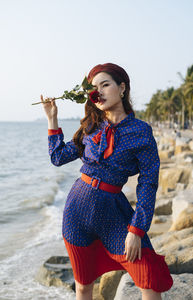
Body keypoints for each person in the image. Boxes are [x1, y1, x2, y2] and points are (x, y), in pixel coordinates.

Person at [41, 63, 173, 300]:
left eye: (105, 84)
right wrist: (52, 119)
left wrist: (137, 229)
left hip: (113, 213)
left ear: (122, 88)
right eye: (93, 88)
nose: (98, 92)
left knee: (149, 277)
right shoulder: (91, 126)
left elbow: (148, 183)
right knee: (83, 285)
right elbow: (58, 157)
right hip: (76, 212)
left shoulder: (141, 131)